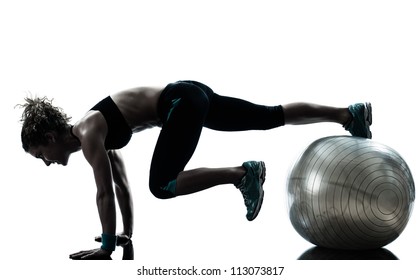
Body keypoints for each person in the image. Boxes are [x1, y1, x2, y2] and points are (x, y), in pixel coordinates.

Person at [19, 80, 372, 260]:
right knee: (268, 116)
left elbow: (103, 192)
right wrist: (126, 234)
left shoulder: (89, 128)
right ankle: (349, 114)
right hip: (188, 94)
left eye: (41, 154)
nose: (46, 162)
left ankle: (242, 174)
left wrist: (107, 247)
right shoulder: (94, 131)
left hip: (181, 102)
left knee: (162, 185)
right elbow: (121, 186)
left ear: (49, 137)